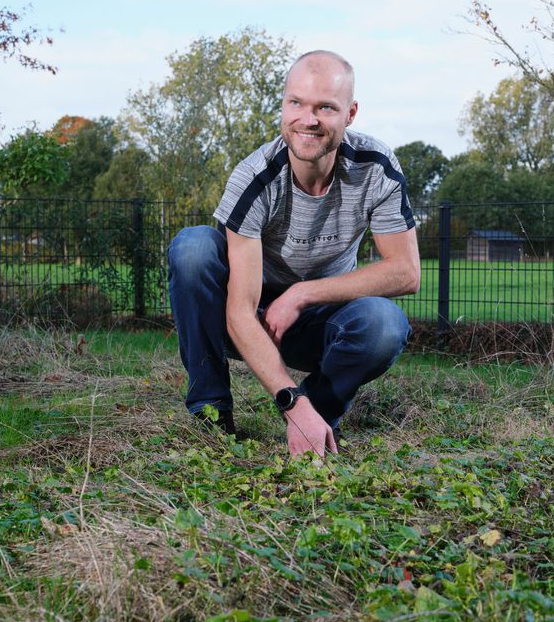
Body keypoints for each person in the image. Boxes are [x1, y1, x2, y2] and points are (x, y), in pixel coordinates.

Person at [167, 50, 420, 459]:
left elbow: (406, 272)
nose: (309, 119)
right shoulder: (255, 177)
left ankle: (316, 413)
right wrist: (287, 396)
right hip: (249, 317)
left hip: (320, 319)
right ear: (283, 106)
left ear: (350, 113)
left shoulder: (376, 167)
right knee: (194, 248)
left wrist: (302, 294)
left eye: (326, 107)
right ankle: (211, 411)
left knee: (384, 324)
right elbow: (238, 311)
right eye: (296, 103)